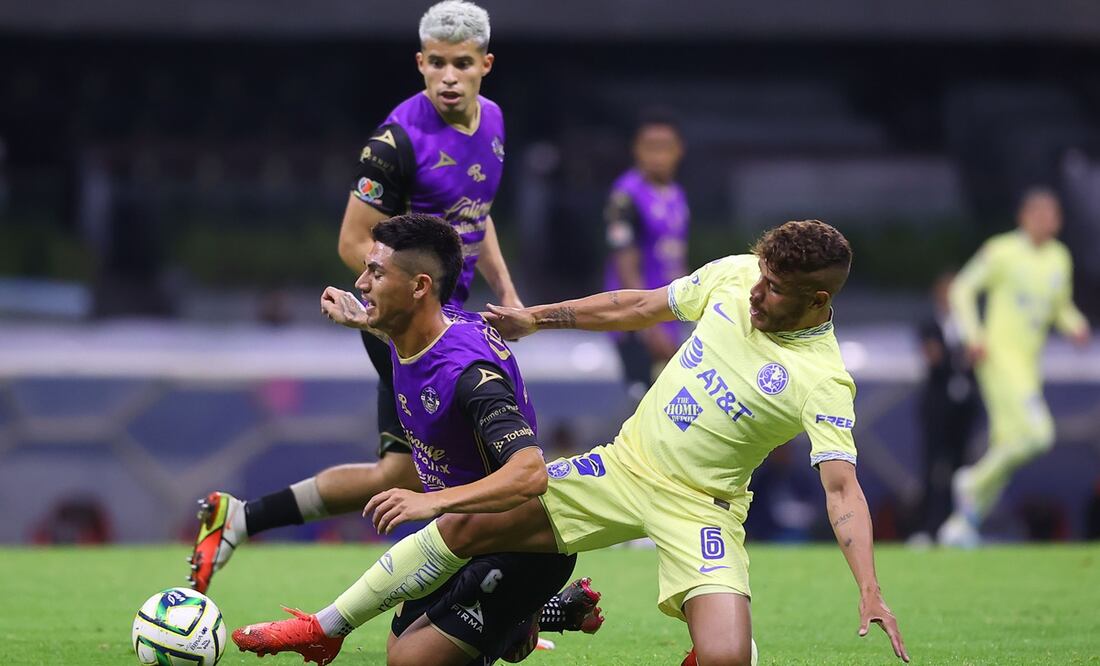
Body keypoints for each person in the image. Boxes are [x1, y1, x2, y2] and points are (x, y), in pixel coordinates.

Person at [234, 220, 910, 665]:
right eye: (760, 277)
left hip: (702, 507)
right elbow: (636, 305)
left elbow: (841, 489)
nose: (757, 292)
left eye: (777, 290)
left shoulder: (823, 379)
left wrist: (870, 588)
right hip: (622, 466)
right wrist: (540, 319)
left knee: (730, 659)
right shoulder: (736, 275)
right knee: (469, 522)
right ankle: (323, 628)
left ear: (819, 303)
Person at [188, 0, 524, 594]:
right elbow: (352, 243)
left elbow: (477, 218)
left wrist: (510, 294)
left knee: (399, 472)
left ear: (486, 65)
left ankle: (240, 518)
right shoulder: (394, 142)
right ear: (420, 63)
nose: (449, 77)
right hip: (410, 324)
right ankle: (485, 603)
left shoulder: (493, 121)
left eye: (463, 64)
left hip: (449, 320)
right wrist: (406, 310)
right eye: (438, 63)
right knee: (458, 463)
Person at [233, 215, 600, 665]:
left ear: (420, 286)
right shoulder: (414, 329)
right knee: (402, 643)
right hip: (461, 534)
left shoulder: (469, 376)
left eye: (377, 272)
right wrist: (361, 322)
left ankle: (521, 605)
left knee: (409, 661)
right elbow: (402, 334)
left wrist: (433, 502)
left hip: (518, 540)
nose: (361, 283)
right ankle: (534, 615)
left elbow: (530, 474)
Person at [938, 188, 1091, 547]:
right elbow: (961, 288)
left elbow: (1059, 306)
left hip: (1028, 364)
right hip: (998, 357)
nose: (1046, 220)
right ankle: (971, 482)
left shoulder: (1059, 257)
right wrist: (973, 334)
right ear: (1023, 217)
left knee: (1007, 448)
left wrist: (1075, 325)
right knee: (1039, 435)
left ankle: (960, 527)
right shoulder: (1002, 250)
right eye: (1038, 214)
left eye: (1052, 214)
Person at [604, 112, 690, 400]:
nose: (657, 155)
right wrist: (648, 324)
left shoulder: (676, 194)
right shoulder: (626, 195)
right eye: (649, 146)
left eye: (665, 146)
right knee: (645, 402)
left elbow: (677, 256)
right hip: (636, 317)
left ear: (679, 150)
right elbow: (624, 259)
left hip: (668, 313)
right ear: (637, 150)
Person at [908, 272, 979, 545]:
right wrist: (960, 356)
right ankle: (927, 528)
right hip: (937, 408)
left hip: (964, 408)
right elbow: (935, 357)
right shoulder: (930, 324)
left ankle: (958, 527)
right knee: (932, 469)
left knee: (962, 469)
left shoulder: (970, 325)